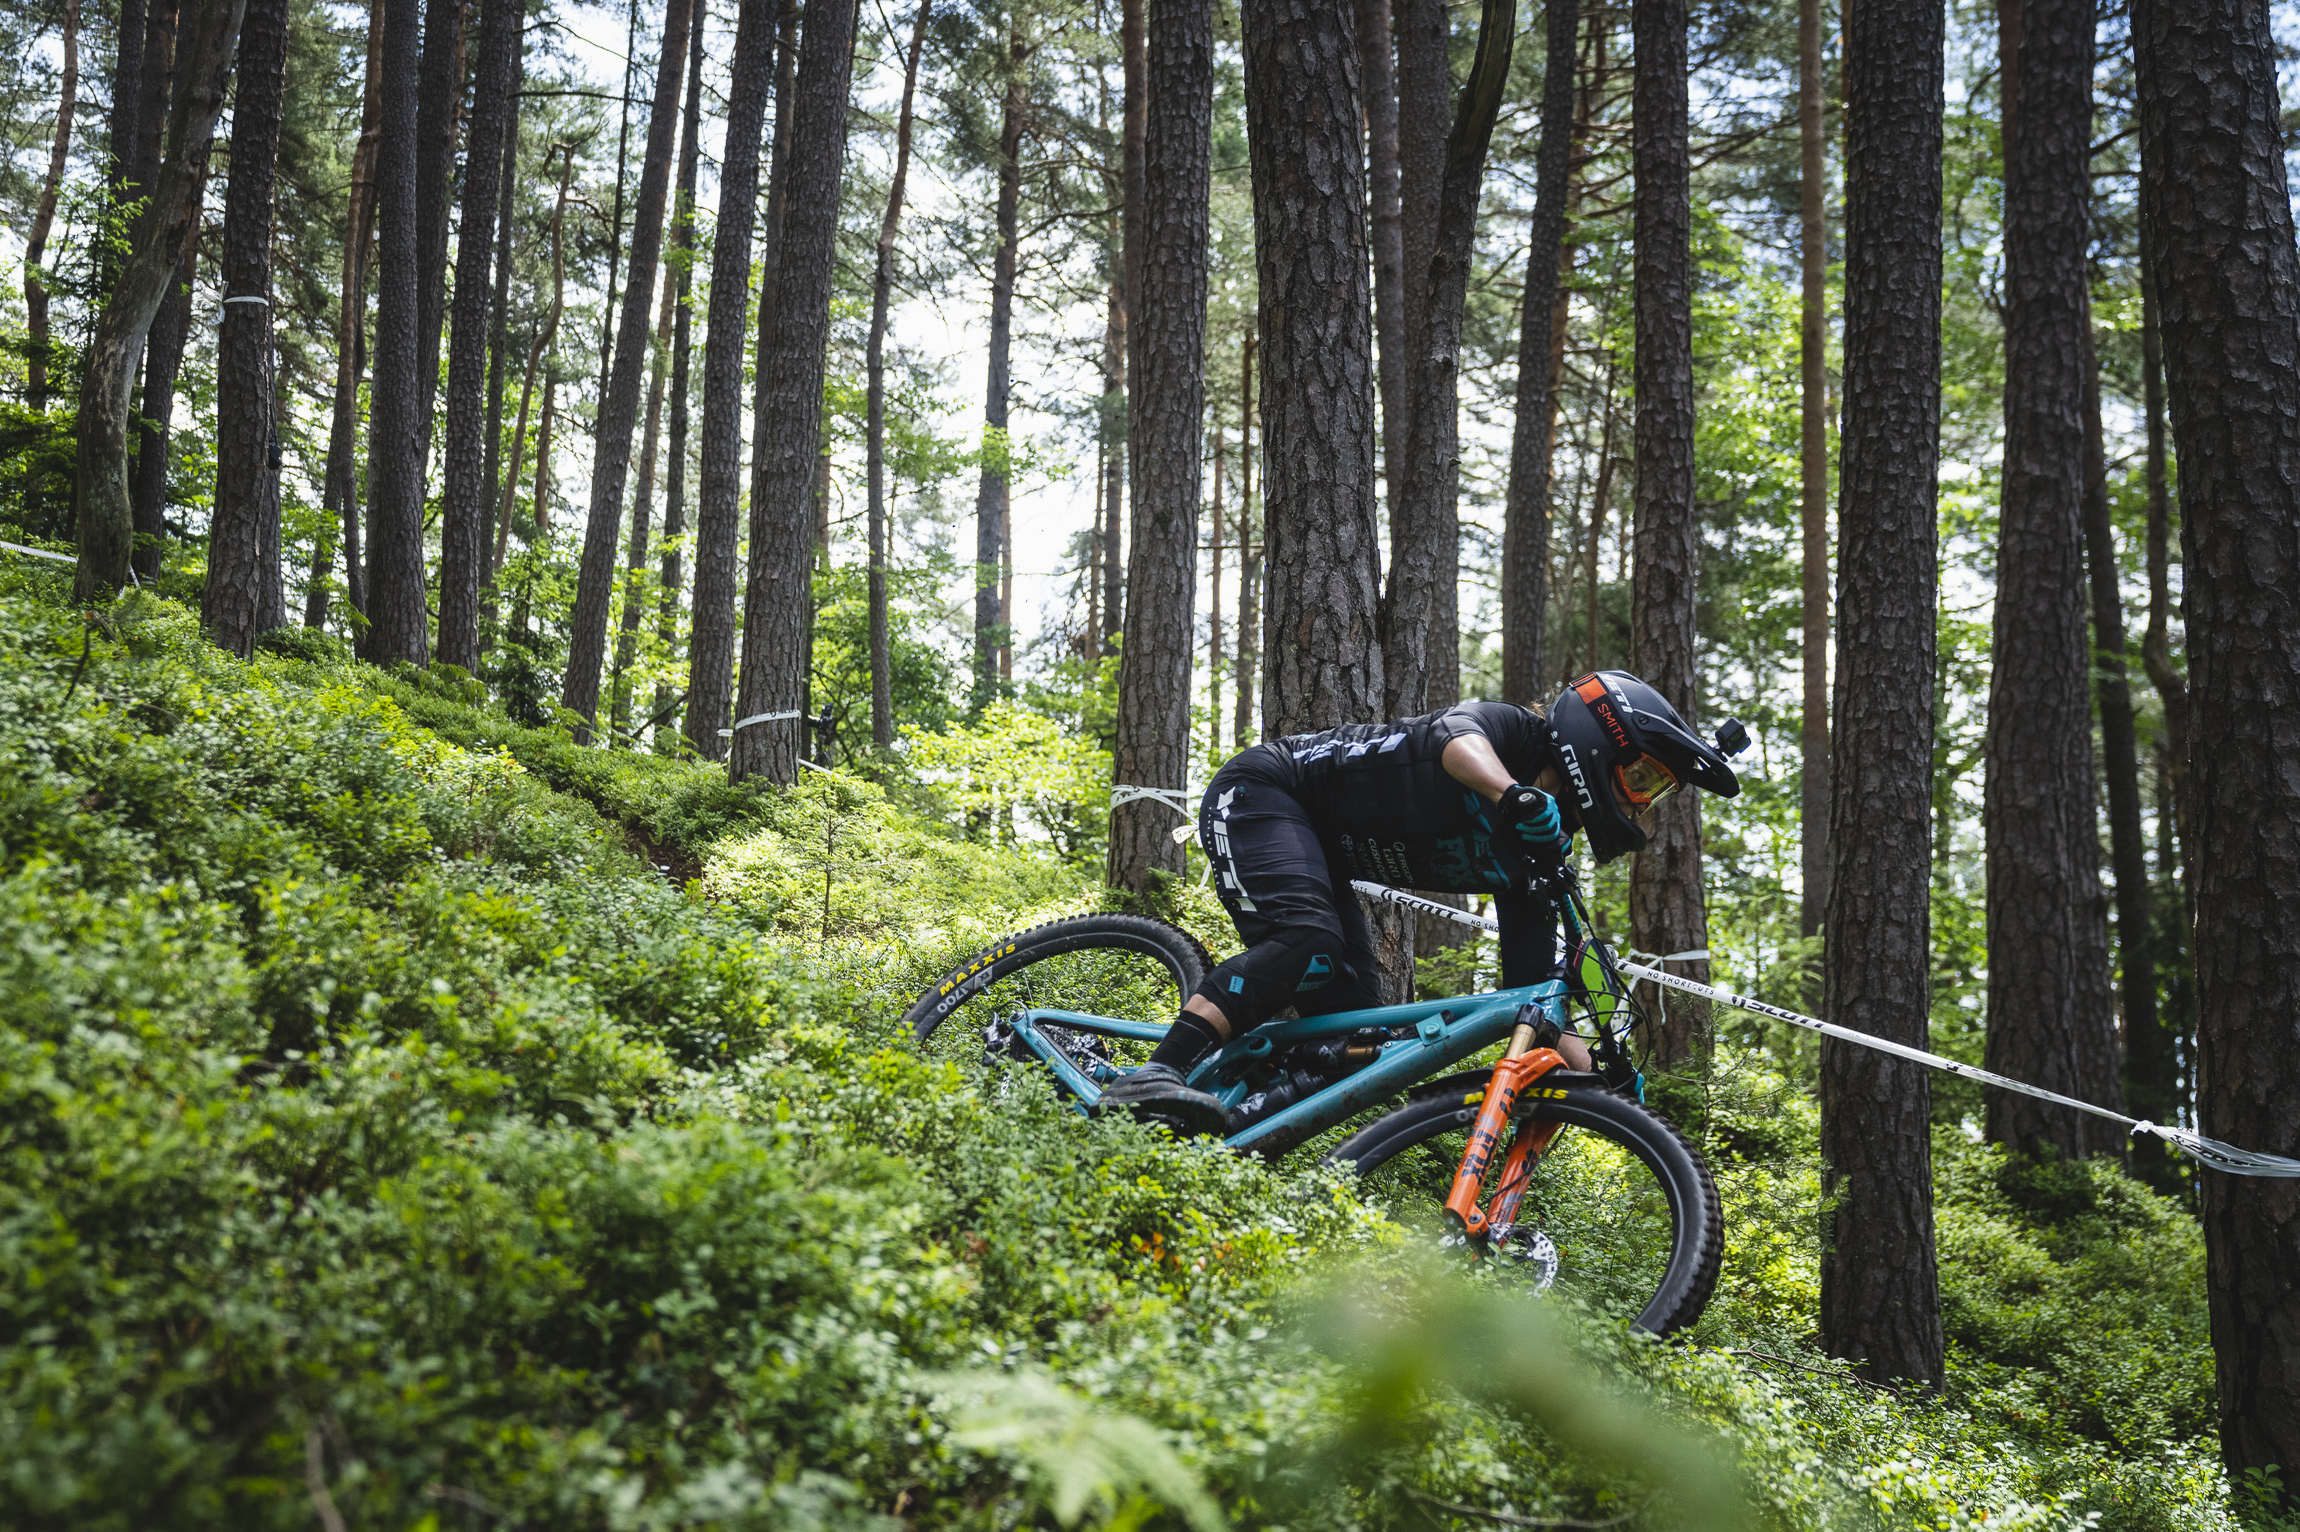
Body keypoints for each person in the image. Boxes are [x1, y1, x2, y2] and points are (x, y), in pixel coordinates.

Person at [1099, 670, 1747, 1135]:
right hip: (1265, 792)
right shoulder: (1512, 735)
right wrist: (1511, 792)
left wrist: (1607, 1095)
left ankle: (1210, 1134)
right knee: (1308, 939)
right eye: (1639, 778)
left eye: (1653, 792)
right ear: (1601, 740)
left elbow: (1531, 1002)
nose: (1639, 801)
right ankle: (1158, 1075)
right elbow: (1453, 741)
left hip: (1318, 849)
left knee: (1356, 1049)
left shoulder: (1536, 852)